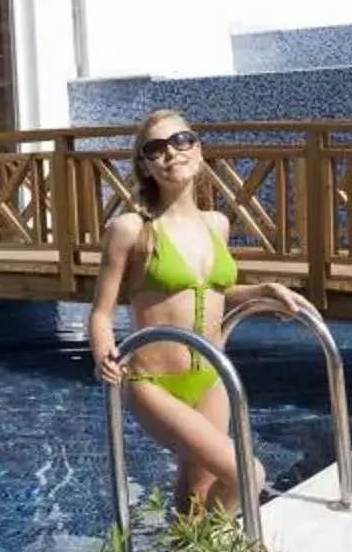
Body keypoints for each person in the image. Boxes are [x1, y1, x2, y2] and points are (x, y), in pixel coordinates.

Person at [86, 109, 314, 513]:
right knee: (249, 473)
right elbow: (101, 312)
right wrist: (104, 354)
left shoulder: (217, 224)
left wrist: (264, 289)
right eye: (156, 149)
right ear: (145, 166)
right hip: (154, 383)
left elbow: (218, 291)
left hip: (212, 375)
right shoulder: (131, 230)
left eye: (182, 140)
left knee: (198, 489)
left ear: (199, 148)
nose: (172, 153)